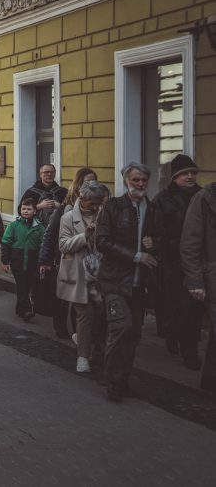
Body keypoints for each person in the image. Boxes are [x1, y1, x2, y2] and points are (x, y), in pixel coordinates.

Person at [95, 162, 156, 402]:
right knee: (121, 327)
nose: (140, 184)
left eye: (143, 180)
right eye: (135, 180)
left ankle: (123, 380)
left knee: (134, 334)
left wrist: (155, 243)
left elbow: (162, 235)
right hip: (114, 281)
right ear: (125, 181)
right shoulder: (113, 207)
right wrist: (136, 255)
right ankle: (113, 381)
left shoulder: (151, 208)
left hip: (140, 284)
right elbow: (102, 241)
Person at [149, 154, 203, 369]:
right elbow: (155, 231)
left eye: (193, 173)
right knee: (182, 307)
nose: (190, 177)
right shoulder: (162, 199)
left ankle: (182, 340)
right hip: (172, 262)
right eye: (185, 174)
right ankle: (187, 352)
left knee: (195, 309)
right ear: (174, 177)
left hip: (199, 260)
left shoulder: (204, 196)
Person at [56, 181, 110, 373]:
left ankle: (97, 349)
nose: (95, 207)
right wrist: (85, 236)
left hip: (102, 273)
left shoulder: (105, 215)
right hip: (80, 274)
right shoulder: (68, 217)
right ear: (82, 198)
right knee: (85, 315)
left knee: (103, 315)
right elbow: (63, 245)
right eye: (92, 203)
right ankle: (83, 356)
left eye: (98, 203)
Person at [39, 167, 97, 338]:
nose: (91, 184)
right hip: (65, 258)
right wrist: (45, 260)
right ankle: (61, 326)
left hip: (88, 260)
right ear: (79, 184)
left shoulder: (98, 207)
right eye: (87, 181)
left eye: (94, 181)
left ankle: (80, 332)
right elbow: (50, 234)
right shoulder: (66, 208)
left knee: (82, 298)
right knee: (64, 297)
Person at [181, 176, 216, 393]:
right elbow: (190, 243)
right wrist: (195, 281)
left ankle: (210, 380)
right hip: (212, 277)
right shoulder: (203, 199)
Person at [1, 198, 45, 322]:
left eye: (29, 209)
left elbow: (43, 245)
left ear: (35, 211)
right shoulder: (14, 225)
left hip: (32, 262)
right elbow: (5, 242)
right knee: (22, 286)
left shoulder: (39, 228)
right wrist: (5, 261)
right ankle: (26, 310)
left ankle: (20, 309)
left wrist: (43, 262)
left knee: (28, 285)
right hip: (17, 261)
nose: (25, 211)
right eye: (23, 209)